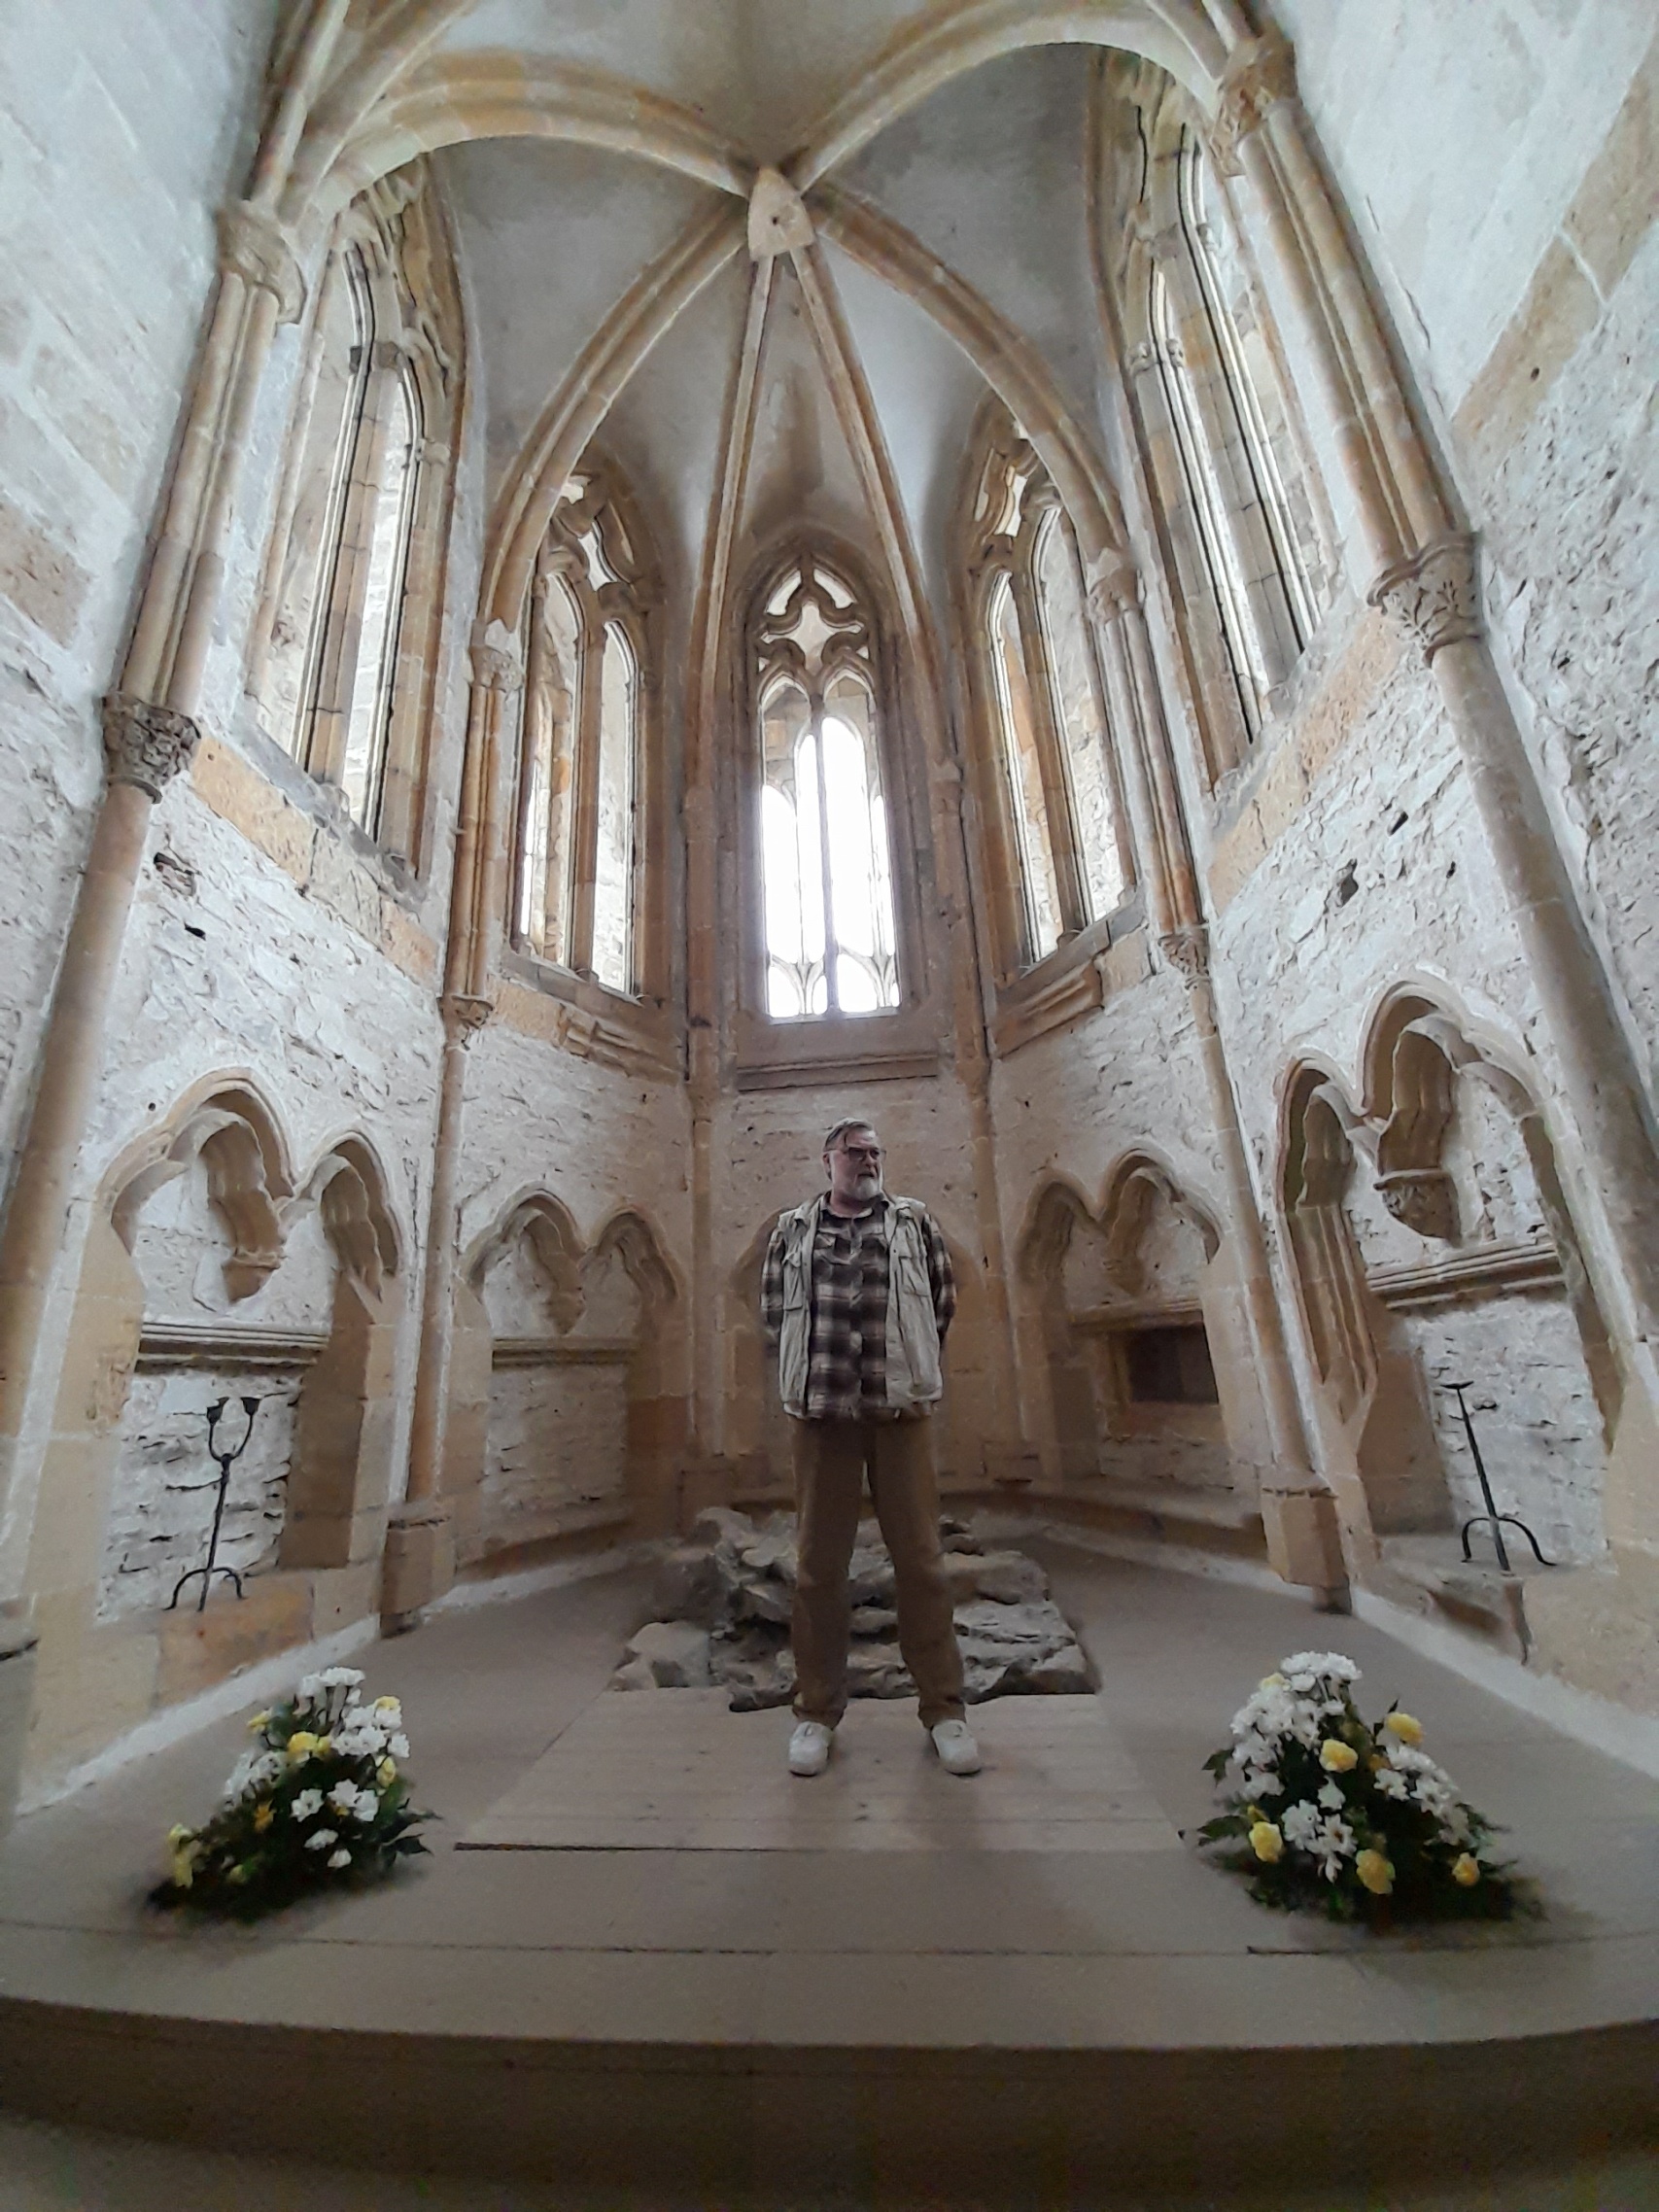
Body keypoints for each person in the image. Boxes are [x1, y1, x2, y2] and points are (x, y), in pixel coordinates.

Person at [760, 1117, 981, 1779]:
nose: (868, 1161)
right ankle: (815, 1713)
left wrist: (907, 1369)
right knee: (817, 1570)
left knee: (921, 1564)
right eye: (854, 1152)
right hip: (822, 1416)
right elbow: (774, 1315)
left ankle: (944, 1711)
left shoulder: (913, 1223)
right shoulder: (792, 1230)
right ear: (827, 1160)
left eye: (875, 1152)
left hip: (898, 1414)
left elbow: (940, 1304)